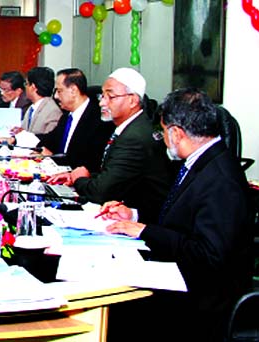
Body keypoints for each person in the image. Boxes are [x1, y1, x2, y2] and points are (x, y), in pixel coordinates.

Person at [102, 88, 253, 341]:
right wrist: (134, 214)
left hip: (201, 298)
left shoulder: (221, 180)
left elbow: (208, 255)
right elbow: (178, 211)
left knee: (117, 313)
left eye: (162, 132)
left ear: (177, 133)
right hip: (181, 274)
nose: (162, 139)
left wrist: (145, 231)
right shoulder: (201, 160)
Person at [50, 68, 170, 222]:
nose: (101, 103)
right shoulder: (130, 127)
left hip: (141, 221)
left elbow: (101, 192)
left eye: (110, 97)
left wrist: (78, 179)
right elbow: (113, 175)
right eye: (102, 95)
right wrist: (79, 176)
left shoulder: (134, 137)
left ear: (132, 100)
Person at [35, 68, 114, 173]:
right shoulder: (67, 115)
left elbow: (89, 161)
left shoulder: (98, 120)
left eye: (59, 91)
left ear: (73, 90)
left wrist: (52, 158)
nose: (56, 96)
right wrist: (19, 139)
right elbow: (51, 139)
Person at [20, 66, 62, 134]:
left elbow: (48, 140)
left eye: (26, 84)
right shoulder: (31, 107)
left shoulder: (53, 111)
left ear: (33, 87)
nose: (25, 88)